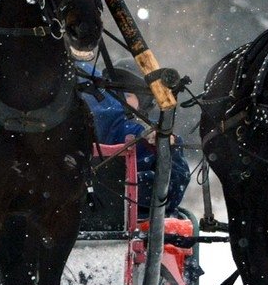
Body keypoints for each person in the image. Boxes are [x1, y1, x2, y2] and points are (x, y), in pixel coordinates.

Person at [80, 59, 191, 216]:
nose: (121, 100)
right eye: (115, 94)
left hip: (132, 219)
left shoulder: (153, 136)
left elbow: (171, 193)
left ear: (143, 102)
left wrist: (167, 147)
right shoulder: (95, 124)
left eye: (127, 95)